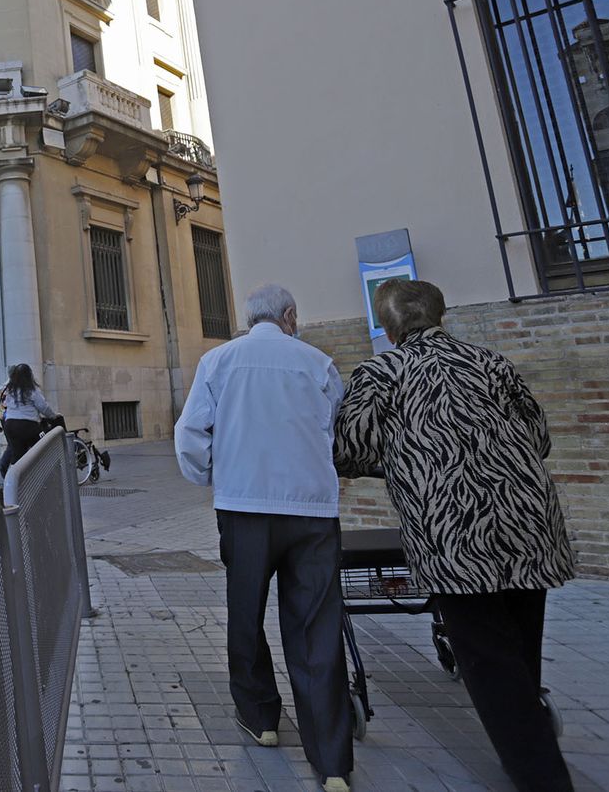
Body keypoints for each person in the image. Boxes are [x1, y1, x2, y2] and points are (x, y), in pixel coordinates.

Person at [334, 279, 575, 792]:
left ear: (388, 326)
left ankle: (541, 774)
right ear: (443, 314)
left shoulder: (382, 372)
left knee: (487, 656)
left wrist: (402, 462)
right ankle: (527, 739)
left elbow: (348, 452)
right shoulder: (492, 362)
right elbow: (539, 438)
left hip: (453, 533)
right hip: (527, 520)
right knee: (518, 643)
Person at [174, 284, 353, 792]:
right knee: (317, 626)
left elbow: (190, 435)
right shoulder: (318, 363)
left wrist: (215, 474)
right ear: (290, 316)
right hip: (311, 511)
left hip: (244, 506)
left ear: (249, 318)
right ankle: (332, 760)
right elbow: (334, 431)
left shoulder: (218, 361)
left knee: (245, 613)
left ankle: (261, 718)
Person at [0, 363, 59, 477]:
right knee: (42, 445)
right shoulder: (32, 390)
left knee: (18, 454)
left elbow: (1, 396)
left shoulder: (9, 389)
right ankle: (43, 473)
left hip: (10, 425)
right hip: (28, 425)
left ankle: (15, 479)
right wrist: (53, 416)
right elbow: (43, 407)